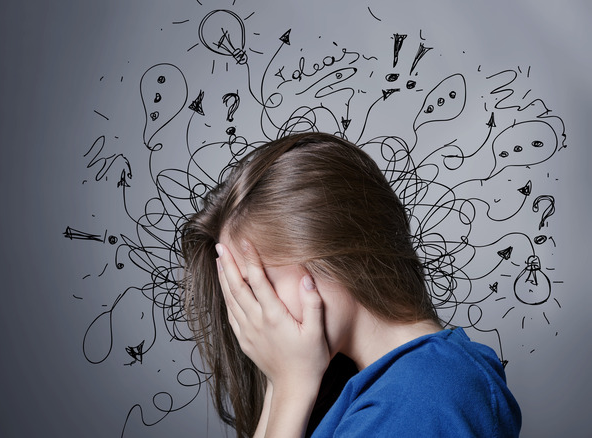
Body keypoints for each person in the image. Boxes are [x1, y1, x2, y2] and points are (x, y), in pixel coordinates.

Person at [180, 132, 521, 437]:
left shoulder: (416, 401)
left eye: (258, 284)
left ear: (327, 252)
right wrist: (284, 381)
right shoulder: (400, 386)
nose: (252, 317)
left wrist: (291, 385)